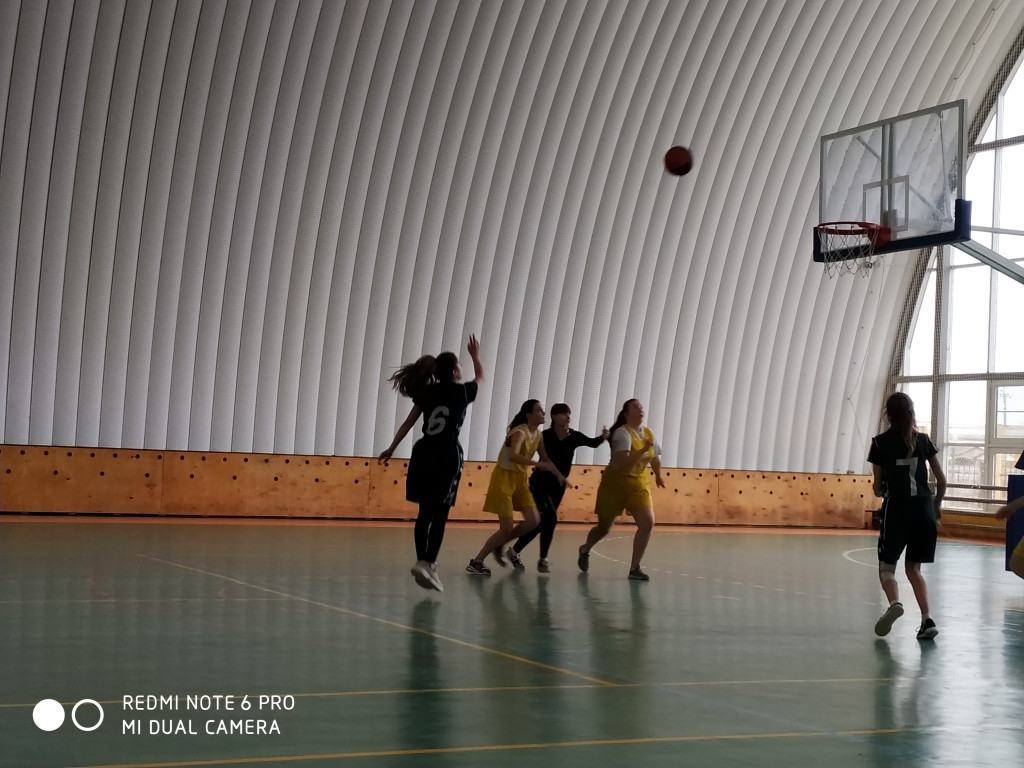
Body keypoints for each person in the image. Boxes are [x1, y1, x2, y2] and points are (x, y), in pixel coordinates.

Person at [379, 335, 484, 592]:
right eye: (459, 364)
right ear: (455, 371)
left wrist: (391, 448)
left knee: (424, 512)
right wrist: (475, 356)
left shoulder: (427, 393)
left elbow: (408, 423)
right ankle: (431, 563)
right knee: (441, 513)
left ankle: (421, 561)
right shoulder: (463, 391)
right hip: (447, 453)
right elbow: (480, 378)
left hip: (423, 452)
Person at [868, 392, 947, 640]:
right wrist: (936, 506)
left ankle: (895, 603)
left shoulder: (879, 443)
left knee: (886, 568)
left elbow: (877, 487)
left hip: (897, 510)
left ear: (887, 415)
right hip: (923, 510)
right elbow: (942, 480)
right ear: (911, 412)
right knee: (914, 568)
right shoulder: (923, 440)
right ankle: (927, 619)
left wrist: (881, 488)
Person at [505, 404, 609, 572]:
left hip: (558, 486)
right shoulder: (545, 436)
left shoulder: (574, 436)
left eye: (569, 414)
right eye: (563, 414)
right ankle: (543, 559)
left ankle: (514, 551)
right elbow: (527, 449)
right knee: (550, 517)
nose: (568, 417)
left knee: (541, 523)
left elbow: (592, 443)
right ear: (554, 417)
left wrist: (603, 437)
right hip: (540, 482)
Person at [466, 400, 564, 575]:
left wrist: (558, 474)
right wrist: (537, 464)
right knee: (506, 528)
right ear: (529, 415)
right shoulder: (519, 432)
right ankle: (477, 561)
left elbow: (545, 458)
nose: (543, 413)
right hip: (503, 479)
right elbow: (513, 456)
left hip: (520, 480)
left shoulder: (538, 435)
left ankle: (500, 544)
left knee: (534, 520)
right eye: (539, 410)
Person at [577, 399, 665, 581]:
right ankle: (585, 549)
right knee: (604, 528)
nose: (640, 409)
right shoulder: (622, 433)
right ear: (626, 413)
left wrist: (658, 475)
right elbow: (623, 461)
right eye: (635, 407)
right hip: (615, 484)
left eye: (641, 407)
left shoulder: (648, 433)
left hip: (638, 483)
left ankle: (635, 568)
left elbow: (655, 458)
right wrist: (643, 449)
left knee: (647, 523)